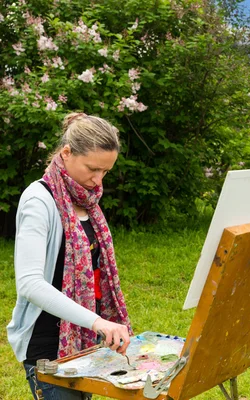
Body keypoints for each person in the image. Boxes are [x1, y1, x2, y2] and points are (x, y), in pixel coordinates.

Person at [7, 113, 133, 400]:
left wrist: (98, 323)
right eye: (93, 168)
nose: (98, 179)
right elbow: (30, 284)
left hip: (84, 340)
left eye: (106, 172)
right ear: (66, 153)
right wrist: (98, 322)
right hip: (49, 347)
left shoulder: (86, 200)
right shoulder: (39, 200)